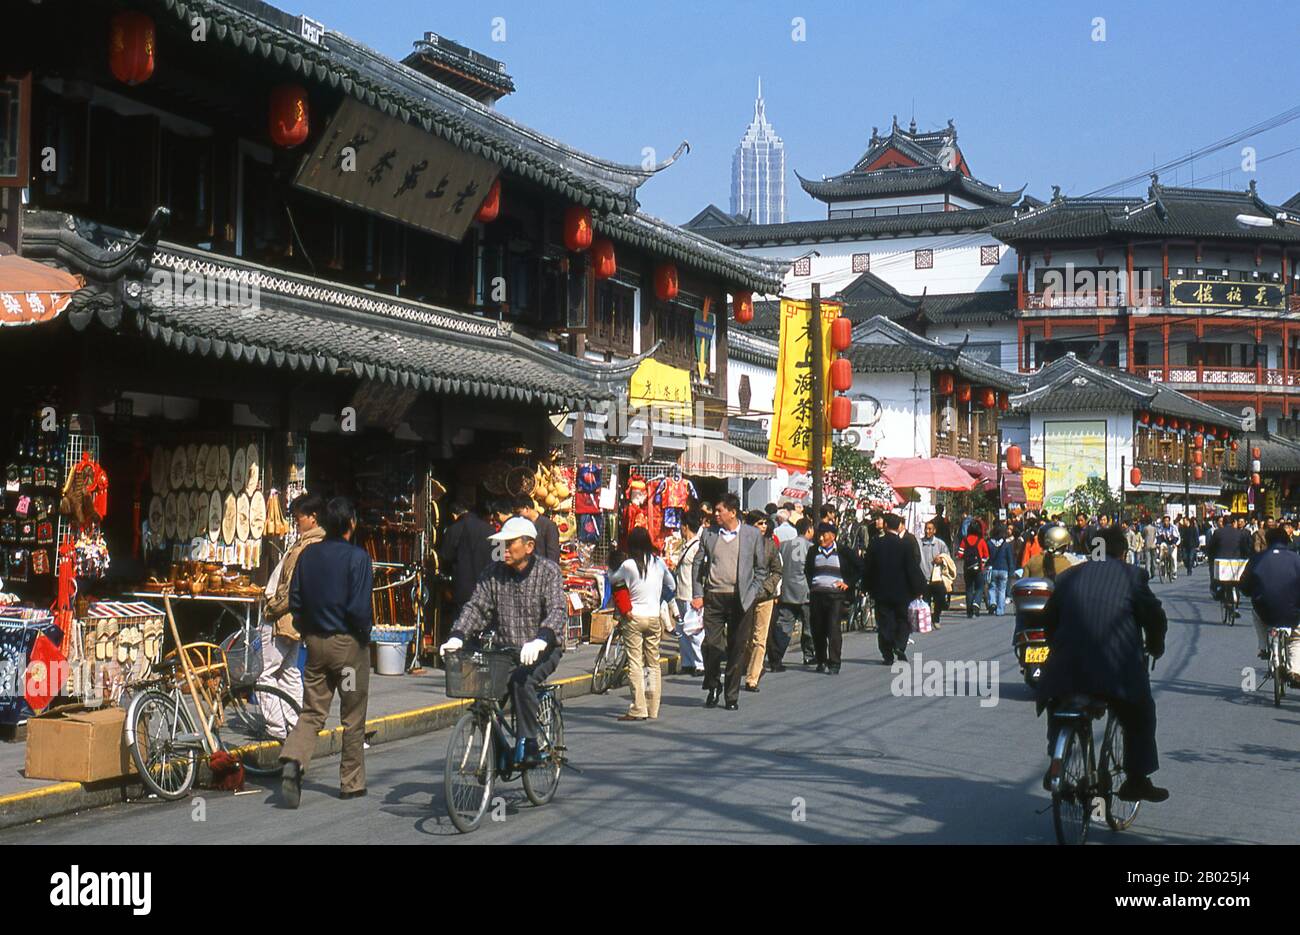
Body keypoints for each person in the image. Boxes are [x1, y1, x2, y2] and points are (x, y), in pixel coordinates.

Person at [1038, 526, 1170, 803]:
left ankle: (1056, 759)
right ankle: (1137, 779)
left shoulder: (1068, 577)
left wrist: (1057, 650)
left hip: (1064, 670)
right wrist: (1156, 645)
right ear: (1123, 553)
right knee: (1141, 712)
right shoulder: (1131, 576)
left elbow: (1048, 620)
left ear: (1089, 550)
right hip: (1116, 673)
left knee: (1059, 703)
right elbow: (1154, 617)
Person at [439, 516, 566, 761]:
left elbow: (557, 610)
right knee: (483, 691)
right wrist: (457, 636)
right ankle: (496, 751)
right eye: (502, 544)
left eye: (510, 544)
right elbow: (476, 608)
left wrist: (542, 639)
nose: (504, 549)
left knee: (522, 681)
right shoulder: (492, 573)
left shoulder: (548, 572)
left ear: (529, 546)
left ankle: (529, 740)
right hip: (505, 649)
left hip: (543, 648)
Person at [279, 497, 374, 807]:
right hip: (347, 648)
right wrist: (362, 637)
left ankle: (294, 759)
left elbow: (295, 601)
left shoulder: (308, 556)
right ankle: (351, 782)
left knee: (312, 710)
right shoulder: (357, 558)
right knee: (352, 716)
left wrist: (307, 630)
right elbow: (359, 609)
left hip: (316, 645)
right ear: (351, 524)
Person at [690, 494, 768, 710]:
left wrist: (752, 592)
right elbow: (698, 565)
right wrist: (697, 593)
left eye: (719, 511)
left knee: (736, 648)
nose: (715, 515)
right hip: (714, 596)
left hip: (740, 598)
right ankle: (713, 683)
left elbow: (761, 569)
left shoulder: (751, 535)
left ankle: (731, 695)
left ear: (732, 513)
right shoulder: (709, 534)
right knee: (711, 645)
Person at [259, 492, 322, 740]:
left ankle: (275, 727)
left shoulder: (308, 546)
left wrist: (272, 607)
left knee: (265, 673)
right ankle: (296, 724)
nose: (296, 522)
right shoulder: (315, 543)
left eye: (299, 517)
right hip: (297, 617)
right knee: (288, 672)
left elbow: (292, 586)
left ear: (313, 517)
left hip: (285, 616)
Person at [608, 527, 672, 721]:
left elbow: (613, 580)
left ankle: (638, 707)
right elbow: (672, 585)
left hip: (633, 617)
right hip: (654, 618)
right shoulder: (659, 563)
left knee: (635, 662)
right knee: (653, 663)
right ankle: (653, 708)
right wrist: (658, 597)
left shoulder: (628, 565)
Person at [864, 513, 926, 664]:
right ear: (898, 526)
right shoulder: (905, 544)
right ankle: (899, 645)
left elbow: (868, 568)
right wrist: (919, 588)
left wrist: (866, 586)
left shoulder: (875, 544)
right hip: (902, 591)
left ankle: (887, 653)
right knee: (903, 620)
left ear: (885, 525)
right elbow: (912, 568)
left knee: (884, 622)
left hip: (881, 590)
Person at [1239, 527, 1300, 675]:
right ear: (1287, 540)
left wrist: (1252, 593)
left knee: (1255, 613)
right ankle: (1295, 669)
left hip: (1265, 610)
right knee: (1296, 637)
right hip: (1293, 611)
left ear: (1268, 541)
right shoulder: (1296, 559)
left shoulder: (1257, 559)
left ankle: (1264, 646)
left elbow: (1244, 586)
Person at [804, 522, 861, 673]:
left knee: (833, 628)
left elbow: (860, 567)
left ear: (833, 536)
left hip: (835, 595)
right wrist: (813, 584)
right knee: (817, 628)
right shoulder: (813, 551)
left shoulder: (843, 551)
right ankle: (821, 660)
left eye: (824, 534)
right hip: (817, 594)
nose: (821, 537)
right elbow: (808, 570)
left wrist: (848, 583)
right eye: (819, 535)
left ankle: (834, 662)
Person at [437, 502, 494, 638]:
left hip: (462, 587)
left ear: (454, 515)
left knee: (461, 623)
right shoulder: (491, 530)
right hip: (488, 586)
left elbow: (446, 557)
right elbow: (500, 559)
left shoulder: (454, 529)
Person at [743, 511, 784, 692]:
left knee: (760, 638)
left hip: (765, 597)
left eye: (765, 523)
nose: (763, 527)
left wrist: (768, 587)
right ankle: (749, 666)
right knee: (745, 637)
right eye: (759, 523)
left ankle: (752, 678)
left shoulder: (770, 546)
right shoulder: (741, 546)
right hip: (745, 596)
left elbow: (777, 571)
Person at [770, 518, 813, 673]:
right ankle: (809, 654)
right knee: (809, 625)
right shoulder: (811, 547)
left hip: (787, 590)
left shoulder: (784, 545)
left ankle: (776, 657)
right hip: (805, 591)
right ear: (809, 530)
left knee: (784, 625)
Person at [673, 511, 706, 675]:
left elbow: (702, 572)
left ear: (686, 527)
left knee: (695, 630)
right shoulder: (684, 545)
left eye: (681, 526)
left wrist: (700, 595)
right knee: (682, 631)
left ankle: (700, 663)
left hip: (692, 594)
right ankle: (687, 662)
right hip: (681, 592)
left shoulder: (697, 546)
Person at [919, 519, 955, 629]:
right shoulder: (919, 543)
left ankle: (936, 617)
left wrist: (941, 560)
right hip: (924, 577)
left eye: (930, 529)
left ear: (934, 531)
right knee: (926, 601)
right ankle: (927, 620)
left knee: (939, 599)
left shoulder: (940, 544)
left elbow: (947, 558)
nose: (927, 531)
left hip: (937, 578)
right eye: (926, 529)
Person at [1206, 514, 1250, 601]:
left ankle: (1220, 592)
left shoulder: (1218, 532)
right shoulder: (1239, 533)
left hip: (1221, 562)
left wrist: (1211, 558)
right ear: (1234, 522)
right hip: (1236, 561)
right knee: (1236, 581)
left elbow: (1211, 547)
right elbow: (1244, 548)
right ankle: (1236, 606)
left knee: (1221, 581)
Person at [956, 519, 990, 617]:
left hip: (967, 568)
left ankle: (969, 610)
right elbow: (986, 555)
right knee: (979, 588)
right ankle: (976, 604)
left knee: (969, 589)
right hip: (979, 568)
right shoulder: (981, 541)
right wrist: (982, 563)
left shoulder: (965, 540)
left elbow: (960, 554)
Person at [514, 495, 560, 565]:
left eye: (519, 512)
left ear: (526, 509)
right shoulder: (522, 525)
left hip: (543, 570)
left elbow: (553, 555)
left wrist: (549, 572)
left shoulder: (548, 525)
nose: (518, 516)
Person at [985, 523, 1015, 617]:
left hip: (992, 568)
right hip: (1004, 569)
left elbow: (987, 557)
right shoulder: (1006, 544)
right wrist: (1011, 570)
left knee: (992, 587)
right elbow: (1010, 558)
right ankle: (1000, 610)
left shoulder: (989, 543)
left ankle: (993, 602)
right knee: (1002, 590)